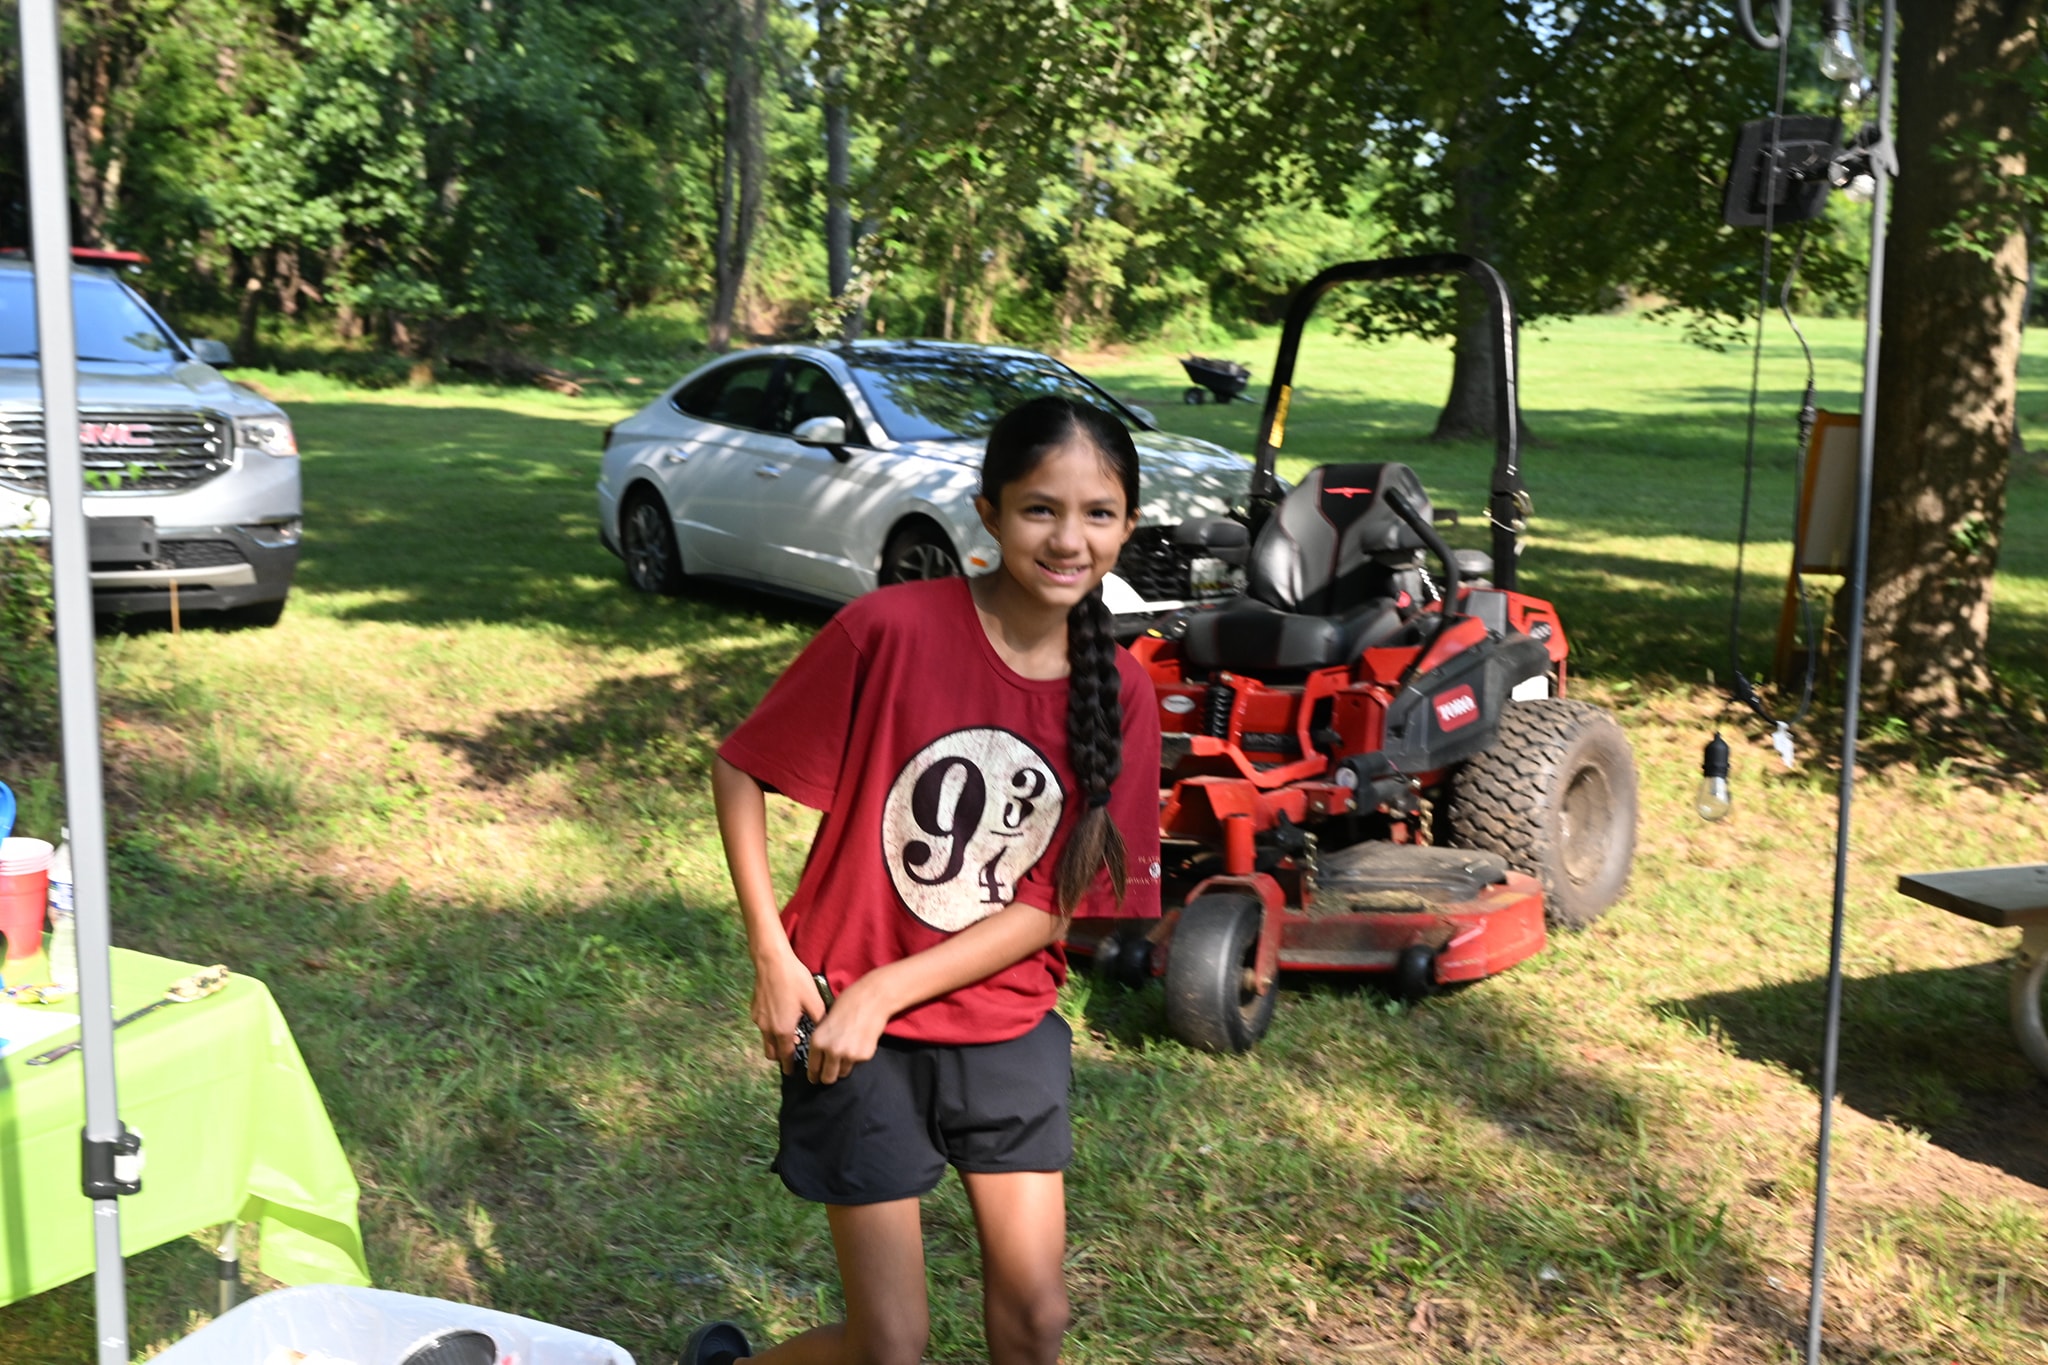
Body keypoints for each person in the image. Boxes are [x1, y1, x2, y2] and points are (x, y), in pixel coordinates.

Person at [690, 395, 1163, 1365]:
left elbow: (1054, 906)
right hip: (851, 1036)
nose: (1068, 539)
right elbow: (739, 769)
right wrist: (774, 960)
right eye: (1039, 509)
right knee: (888, 1349)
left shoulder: (1125, 693)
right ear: (986, 515)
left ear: (1127, 525)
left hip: (1001, 1024)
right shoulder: (889, 632)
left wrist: (888, 987)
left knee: (1035, 1324)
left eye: (1098, 513)